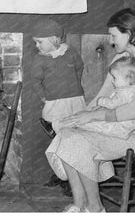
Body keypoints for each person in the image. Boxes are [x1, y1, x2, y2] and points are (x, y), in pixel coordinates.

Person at [45, 8, 135, 212]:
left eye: (114, 36)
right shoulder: (119, 59)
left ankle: (95, 209)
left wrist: (92, 116)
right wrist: (78, 117)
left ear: (129, 34)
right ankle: (80, 205)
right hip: (117, 126)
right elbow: (101, 97)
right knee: (69, 134)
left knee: (80, 143)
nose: (111, 42)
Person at [30, 19, 86, 194]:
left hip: (75, 101)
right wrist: (44, 98)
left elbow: (79, 68)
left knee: (76, 137)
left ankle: (76, 177)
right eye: (35, 42)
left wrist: (74, 88)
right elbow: (35, 81)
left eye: (40, 42)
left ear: (54, 39)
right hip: (55, 104)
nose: (37, 46)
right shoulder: (40, 59)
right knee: (59, 138)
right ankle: (63, 175)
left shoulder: (72, 53)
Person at [78, 56, 135, 139]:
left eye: (114, 78)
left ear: (128, 79)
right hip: (126, 123)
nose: (112, 81)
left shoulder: (124, 92)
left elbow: (112, 104)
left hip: (120, 124)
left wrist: (101, 100)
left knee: (89, 124)